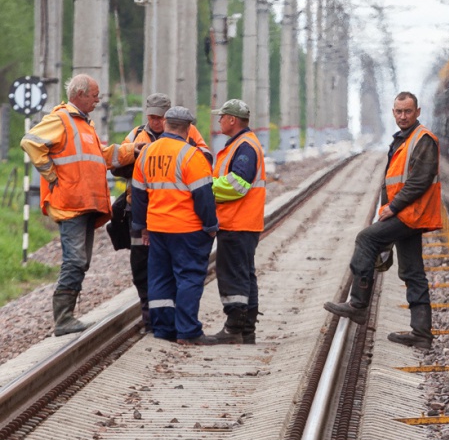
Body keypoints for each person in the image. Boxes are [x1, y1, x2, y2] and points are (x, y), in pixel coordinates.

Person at [21, 74, 140, 336]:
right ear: (80, 94)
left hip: (85, 204)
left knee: (82, 261)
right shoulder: (62, 119)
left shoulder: (85, 125)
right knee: (75, 260)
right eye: (95, 95)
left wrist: (134, 150)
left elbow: (103, 156)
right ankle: (63, 319)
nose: (98, 99)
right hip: (70, 204)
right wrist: (51, 176)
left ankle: (67, 316)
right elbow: (30, 142)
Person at [324, 91, 442, 349]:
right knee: (413, 271)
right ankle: (421, 333)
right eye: (398, 111)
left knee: (366, 238)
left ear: (417, 112)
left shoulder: (423, 140)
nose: (403, 116)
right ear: (393, 112)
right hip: (409, 213)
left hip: (411, 213)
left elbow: (419, 181)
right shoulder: (403, 140)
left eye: (408, 111)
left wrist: (393, 207)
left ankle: (358, 304)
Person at [131, 106, 220, 345]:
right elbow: (204, 196)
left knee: (160, 278)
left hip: (157, 228)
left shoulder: (147, 152)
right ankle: (188, 331)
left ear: (167, 124)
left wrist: (142, 226)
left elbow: (138, 195)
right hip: (187, 229)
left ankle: (164, 329)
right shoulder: (192, 155)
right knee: (189, 277)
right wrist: (211, 225)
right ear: (189, 128)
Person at [209, 99, 266, 345]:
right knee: (244, 274)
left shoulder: (244, 147)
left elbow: (238, 184)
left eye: (221, 116)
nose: (219, 120)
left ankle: (235, 327)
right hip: (242, 221)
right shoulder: (242, 144)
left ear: (232, 120)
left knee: (233, 275)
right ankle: (246, 329)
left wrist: (204, 188)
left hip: (237, 221)